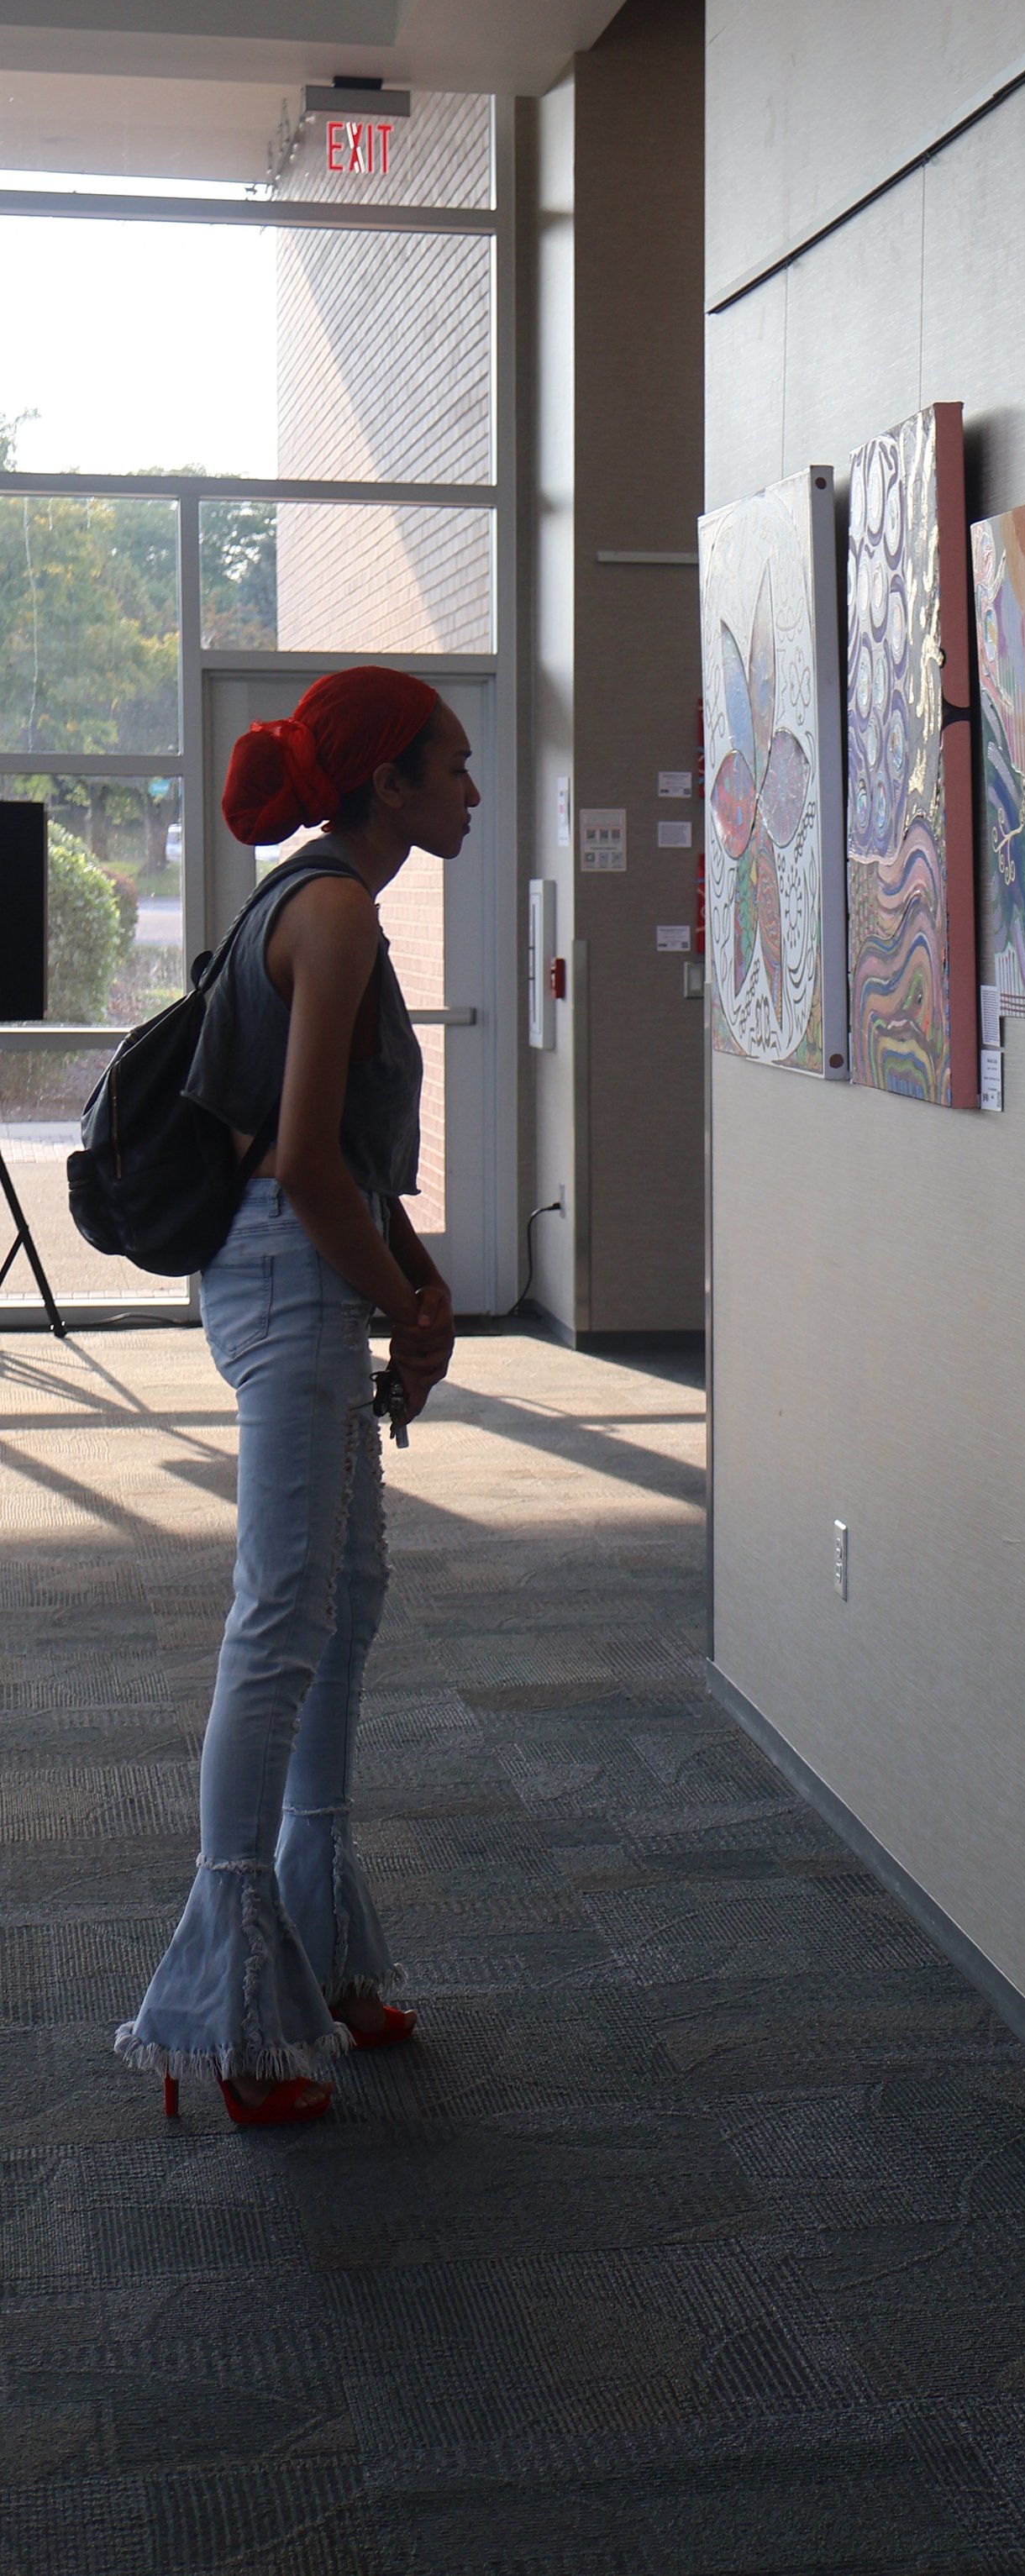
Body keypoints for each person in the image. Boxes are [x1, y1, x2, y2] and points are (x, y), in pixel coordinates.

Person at [115, 666, 479, 2128]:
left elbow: (347, 1162)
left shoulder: (328, 903)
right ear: (387, 781)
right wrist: (403, 1301)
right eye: (452, 766)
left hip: (308, 1266)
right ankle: (229, 2009)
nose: (470, 791)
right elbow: (305, 1167)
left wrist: (420, 1284)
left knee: (344, 1595)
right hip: (287, 1276)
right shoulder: (331, 913)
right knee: (279, 1617)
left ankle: (315, 1945)